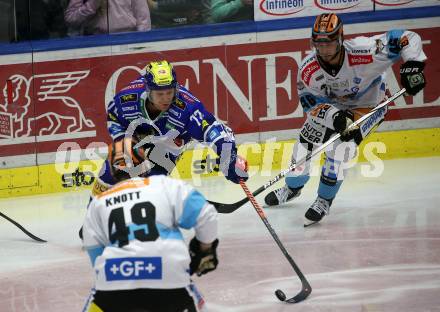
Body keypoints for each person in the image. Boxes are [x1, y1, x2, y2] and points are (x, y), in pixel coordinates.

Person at [264, 13, 427, 225]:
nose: (323, 50)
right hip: (333, 106)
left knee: (341, 148)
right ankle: (293, 187)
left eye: (329, 43)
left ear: (340, 39)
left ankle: (324, 199)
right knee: (306, 139)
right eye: (318, 43)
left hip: (369, 105)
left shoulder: (365, 51)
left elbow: (406, 37)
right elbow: (309, 103)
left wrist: (413, 64)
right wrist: (334, 117)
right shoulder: (308, 68)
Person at [82, 139, 218, 311]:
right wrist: (204, 248)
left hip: (114, 284)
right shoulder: (164, 185)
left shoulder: (98, 203)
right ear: (144, 165)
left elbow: (94, 253)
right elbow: (207, 215)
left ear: (112, 171)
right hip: (169, 278)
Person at [92, 60, 248, 197]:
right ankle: (92, 214)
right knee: (108, 174)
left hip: (168, 145)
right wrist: (124, 141)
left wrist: (229, 156)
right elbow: (113, 117)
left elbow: (215, 130)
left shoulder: (188, 107)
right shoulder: (127, 98)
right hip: (135, 138)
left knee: (152, 187)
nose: (166, 98)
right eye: (160, 94)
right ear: (148, 91)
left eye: (169, 92)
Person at [64, 0, 151, 35]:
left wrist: (142, 44)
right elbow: (71, 19)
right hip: (95, 41)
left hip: (128, 37)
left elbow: (143, 18)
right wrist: (93, 4)